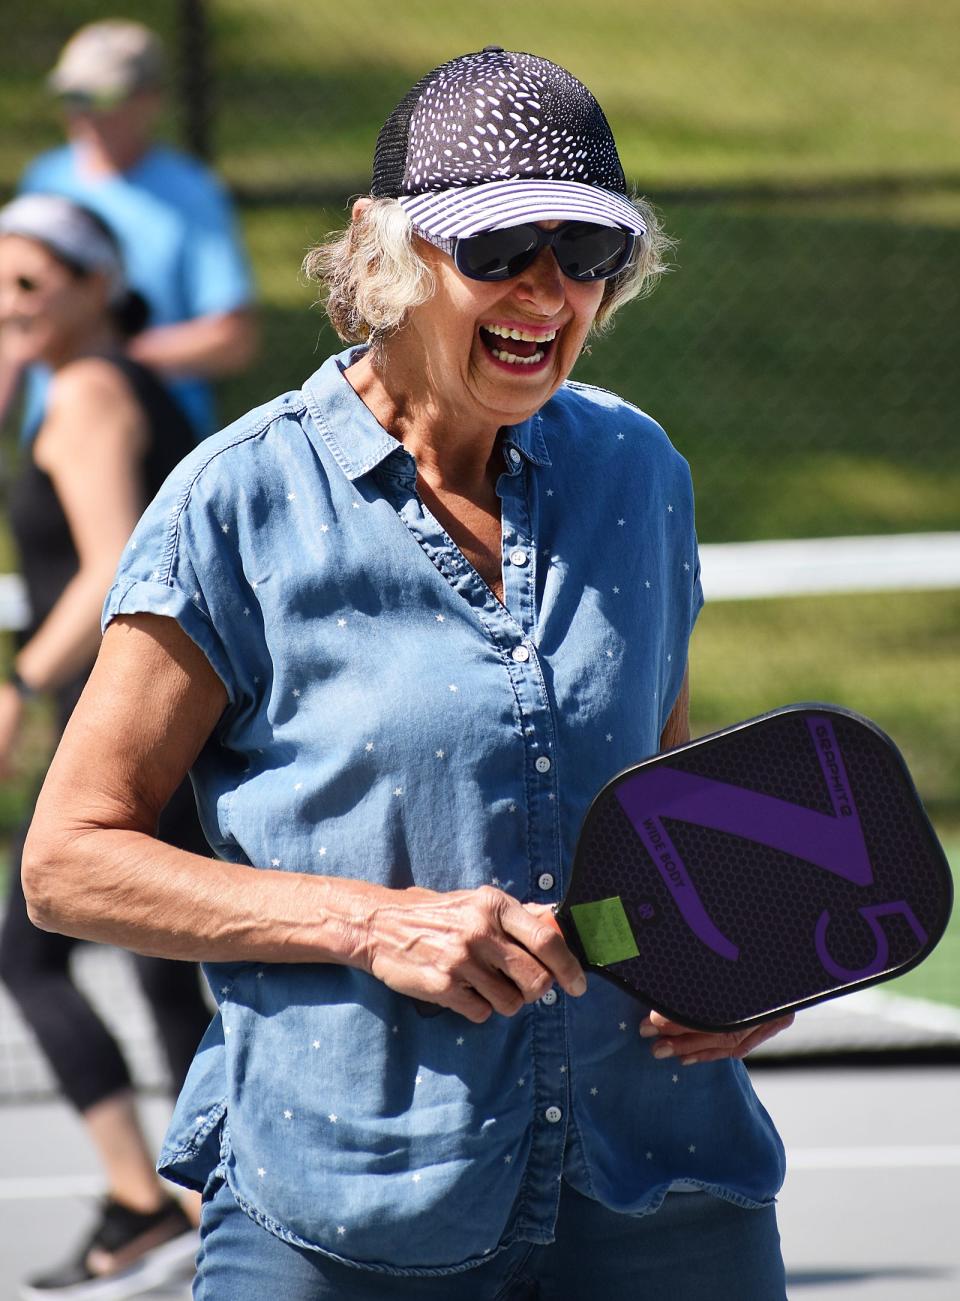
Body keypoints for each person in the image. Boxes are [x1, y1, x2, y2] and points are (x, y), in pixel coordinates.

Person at [21, 49, 795, 1299]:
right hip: (349, 1207)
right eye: (498, 248)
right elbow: (68, 861)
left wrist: (740, 952)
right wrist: (372, 921)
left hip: (662, 1184)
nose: (548, 288)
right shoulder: (239, 502)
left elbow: (653, 800)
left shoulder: (638, 470)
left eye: (586, 251)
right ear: (387, 253)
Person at [0, 194, 212, 1297]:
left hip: (129, 713)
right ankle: (204, 1202)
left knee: (29, 947)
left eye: (31, 282)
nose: (9, 301)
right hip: (159, 715)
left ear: (95, 285)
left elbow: (109, 565)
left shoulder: (85, 392)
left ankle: (153, 1197)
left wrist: (18, 685)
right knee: (167, 963)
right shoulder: (94, 380)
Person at [0, 18, 256, 445]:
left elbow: (233, 339)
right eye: (73, 95)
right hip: (52, 437)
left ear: (150, 99)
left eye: (103, 96)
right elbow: (12, 321)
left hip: (158, 446)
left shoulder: (192, 192)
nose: (85, 112)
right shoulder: (44, 179)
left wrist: (108, 360)